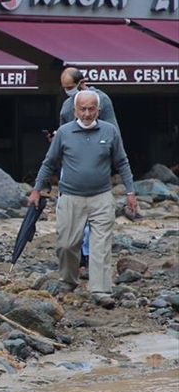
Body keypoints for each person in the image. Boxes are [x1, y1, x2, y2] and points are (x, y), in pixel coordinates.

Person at [29, 90, 137, 308]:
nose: (87, 113)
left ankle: (101, 290)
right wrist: (37, 189)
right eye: (83, 109)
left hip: (101, 197)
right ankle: (68, 280)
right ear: (75, 110)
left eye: (91, 109)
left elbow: (122, 162)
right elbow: (49, 162)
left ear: (99, 110)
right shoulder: (64, 133)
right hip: (70, 197)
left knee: (100, 245)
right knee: (67, 244)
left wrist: (130, 192)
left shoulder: (110, 131)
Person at [51, 67, 119, 265]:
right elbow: (63, 132)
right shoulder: (66, 106)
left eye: (70, 87)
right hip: (70, 162)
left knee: (94, 210)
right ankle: (77, 250)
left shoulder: (102, 101)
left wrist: (113, 160)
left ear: (82, 82)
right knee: (68, 210)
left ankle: (88, 253)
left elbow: (113, 132)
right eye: (65, 88)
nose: (68, 91)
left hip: (96, 160)